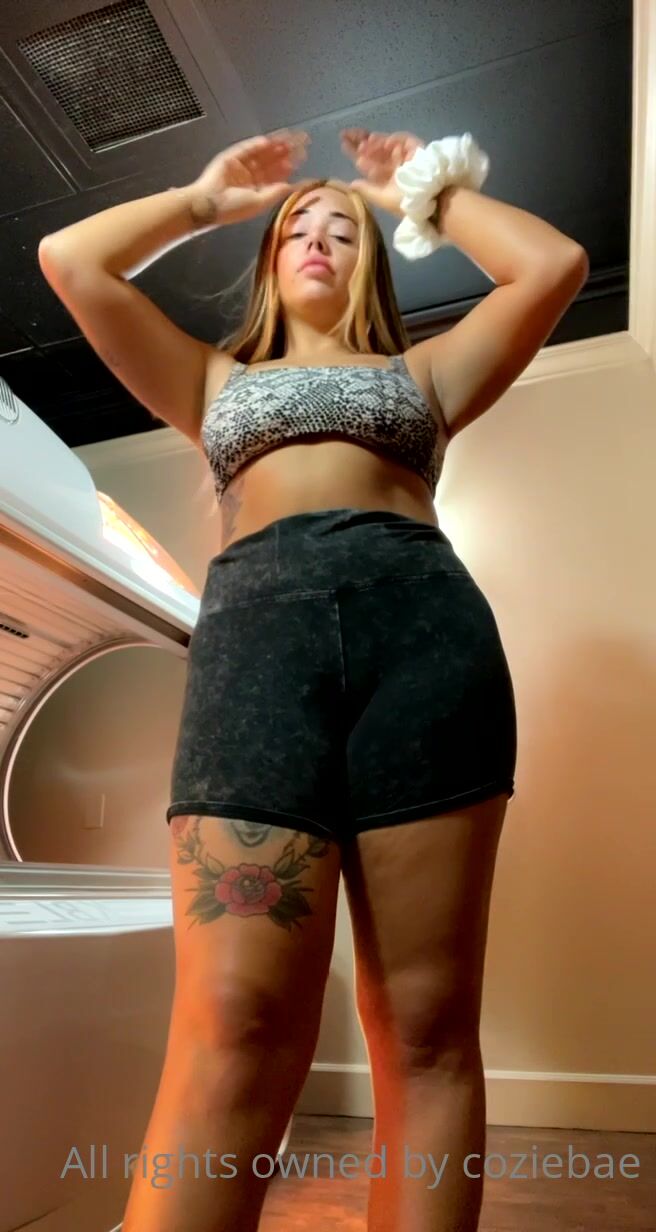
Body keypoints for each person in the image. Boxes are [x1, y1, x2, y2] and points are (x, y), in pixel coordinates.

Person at [38, 127, 588, 1232]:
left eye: (346, 228)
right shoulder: (210, 376)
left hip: (424, 646)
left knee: (426, 1029)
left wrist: (423, 192)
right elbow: (71, 259)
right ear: (267, 258)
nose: (322, 236)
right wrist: (205, 200)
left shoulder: (423, 374)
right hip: (256, 655)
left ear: (374, 260)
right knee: (232, 1020)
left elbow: (551, 266)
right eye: (300, 224)